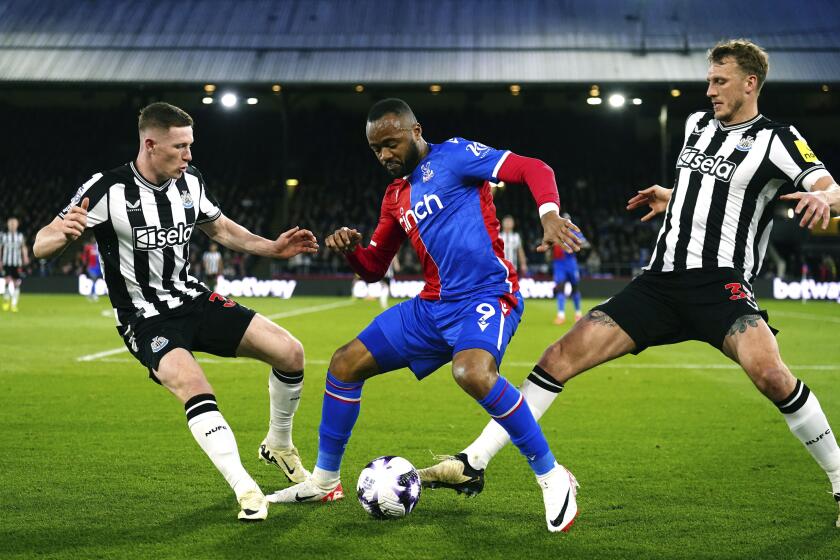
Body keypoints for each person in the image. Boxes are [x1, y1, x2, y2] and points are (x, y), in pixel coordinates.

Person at [418, 39, 840, 528]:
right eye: (708, 80)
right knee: (557, 358)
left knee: (771, 376)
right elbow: (707, 187)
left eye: (719, 81)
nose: (709, 91)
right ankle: (473, 462)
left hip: (719, 287)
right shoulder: (696, 126)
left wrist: (825, 202)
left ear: (750, 83)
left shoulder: (776, 138)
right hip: (659, 285)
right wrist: (674, 196)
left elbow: (828, 186)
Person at [267, 98, 584, 533]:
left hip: (485, 296)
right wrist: (351, 251)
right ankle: (324, 481)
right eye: (376, 150)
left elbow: (534, 168)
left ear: (416, 132)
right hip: (432, 307)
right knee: (344, 364)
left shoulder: (454, 155)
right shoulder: (395, 196)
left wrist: (549, 214)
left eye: (391, 144)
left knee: (472, 372)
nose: (384, 156)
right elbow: (375, 269)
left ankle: (552, 476)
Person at [33, 102, 319, 522]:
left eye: (190, 145)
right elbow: (42, 242)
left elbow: (220, 228)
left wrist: (270, 247)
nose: (188, 155)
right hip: (144, 317)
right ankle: (246, 488)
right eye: (180, 146)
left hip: (192, 299)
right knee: (194, 384)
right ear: (150, 144)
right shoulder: (108, 188)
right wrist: (61, 235)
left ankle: (278, 444)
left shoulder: (190, 182)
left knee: (290, 352)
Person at [552, 212, 589, 324]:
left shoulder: (574, 232)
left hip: (571, 262)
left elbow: (586, 244)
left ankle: (578, 313)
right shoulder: (555, 232)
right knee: (560, 287)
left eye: (568, 220)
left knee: (575, 288)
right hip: (559, 264)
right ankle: (561, 315)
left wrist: (578, 243)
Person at [1, 216, 29, 312]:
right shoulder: (3, 236)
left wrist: (25, 257)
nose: (12, 225)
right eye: (11, 224)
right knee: (8, 281)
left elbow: (23, 247)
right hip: (6, 262)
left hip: (17, 263)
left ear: (17, 225)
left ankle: (13, 304)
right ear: (8, 225)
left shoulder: (20, 236)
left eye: (14, 223)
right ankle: (6, 300)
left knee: (17, 283)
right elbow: (0, 248)